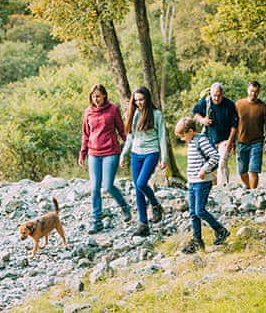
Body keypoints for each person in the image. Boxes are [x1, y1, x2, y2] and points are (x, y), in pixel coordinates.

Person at [79, 84, 132, 234]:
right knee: (95, 188)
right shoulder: (88, 112)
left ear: (104, 96)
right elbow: (85, 134)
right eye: (93, 96)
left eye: (98, 96)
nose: (96, 99)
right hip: (93, 153)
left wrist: (128, 148)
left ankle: (124, 206)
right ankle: (97, 220)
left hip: (110, 151)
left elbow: (121, 130)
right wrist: (82, 153)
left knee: (107, 186)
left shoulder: (113, 109)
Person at [175, 117, 230, 253]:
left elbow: (215, 156)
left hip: (203, 182)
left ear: (191, 131)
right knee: (193, 213)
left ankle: (220, 230)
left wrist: (204, 169)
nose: (182, 139)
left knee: (200, 210)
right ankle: (197, 241)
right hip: (193, 182)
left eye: (183, 135)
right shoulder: (192, 142)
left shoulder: (201, 140)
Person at [120, 86, 167, 237]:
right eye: (136, 100)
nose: (139, 103)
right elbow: (130, 137)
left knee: (141, 183)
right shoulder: (132, 114)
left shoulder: (156, 114)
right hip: (135, 153)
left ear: (147, 98)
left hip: (151, 153)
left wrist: (164, 157)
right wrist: (123, 154)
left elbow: (162, 136)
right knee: (138, 189)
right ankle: (143, 224)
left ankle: (155, 204)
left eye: (141, 99)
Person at [193, 82, 238, 187]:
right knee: (209, 164)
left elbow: (234, 125)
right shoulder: (206, 101)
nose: (216, 98)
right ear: (211, 94)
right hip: (209, 139)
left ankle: (222, 187)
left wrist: (231, 141)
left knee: (222, 162)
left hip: (225, 139)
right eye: (214, 95)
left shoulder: (229, 105)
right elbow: (195, 112)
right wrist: (202, 120)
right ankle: (207, 185)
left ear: (222, 94)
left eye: (219, 95)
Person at [235, 81, 266, 189]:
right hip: (242, 142)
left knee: (253, 170)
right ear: (248, 90)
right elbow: (233, 124)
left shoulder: (263, 107)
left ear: (259, 92)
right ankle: (248, 186)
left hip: (257, 142)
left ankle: (253, 193)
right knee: (242, 171)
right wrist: (232, 141)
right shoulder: (239, 104)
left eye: (256, 92)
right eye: (252, 91)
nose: (253, 94)